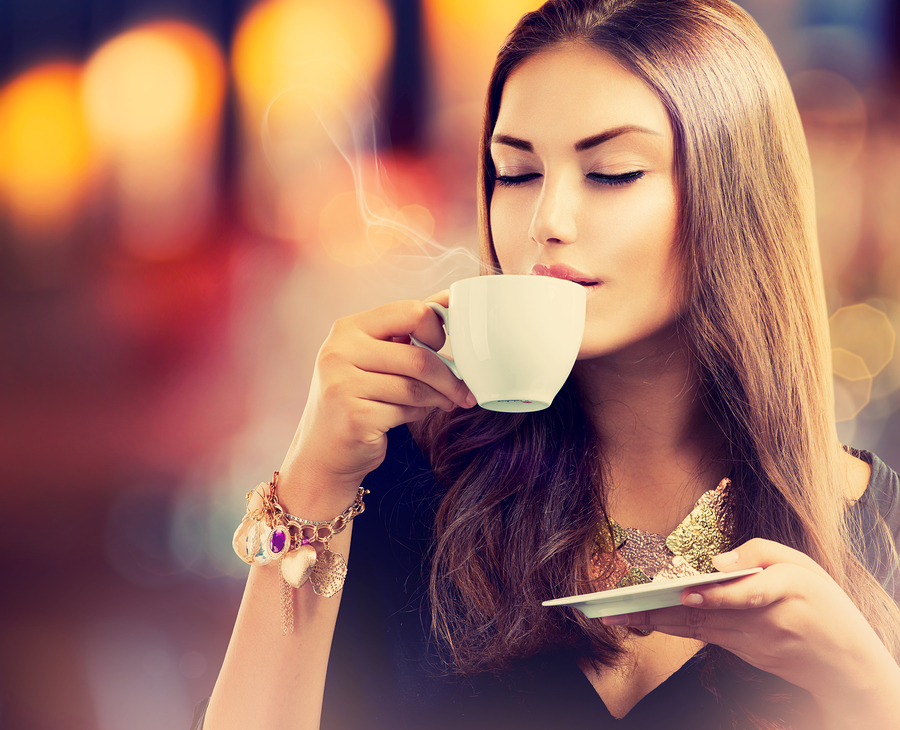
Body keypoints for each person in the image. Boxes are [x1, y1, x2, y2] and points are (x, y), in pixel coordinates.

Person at [198, 0, 900, 728]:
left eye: (613, 173)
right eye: (516, 173)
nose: (547, 222)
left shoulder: (880, 532)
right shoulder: (400, 485)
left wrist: (869, 689)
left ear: (738, 200)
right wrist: (312, 480)